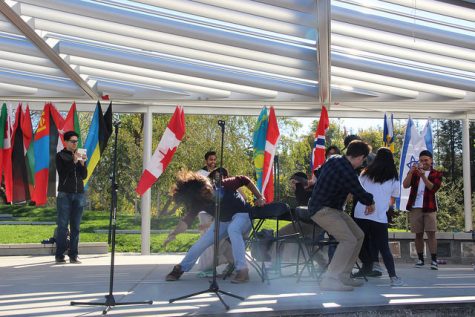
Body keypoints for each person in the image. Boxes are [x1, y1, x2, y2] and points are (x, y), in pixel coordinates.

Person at [164, 168, 265, 283]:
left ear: (205, 184)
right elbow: (186, 221)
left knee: (233, 229)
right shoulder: (198, 202)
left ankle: (242, 270)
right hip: (223, 221)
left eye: (205, 189)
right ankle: (180, 268)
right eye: (201, 194)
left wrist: (260, 197)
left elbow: (244, 179)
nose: (206, 193)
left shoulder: (224, 184)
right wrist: (174, 233)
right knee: (203, 242)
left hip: (242, 215)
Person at [308, 140, 375, 291]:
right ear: (360, 157)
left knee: (358, 235)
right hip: (322, 210)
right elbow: (359, 191)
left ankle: (344, 276)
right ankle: (330, 279)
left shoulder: (333, 158)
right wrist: (371, 202)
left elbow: (317, 172)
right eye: (363, 161)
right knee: (349, 240)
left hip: (332, 209)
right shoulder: (347, 170)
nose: (361, 164)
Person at [353, 148, 403, 286]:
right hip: (379, 216)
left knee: (359, 243)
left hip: (360, 213)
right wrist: (382, 206)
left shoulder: (365, 173)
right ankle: (393, 277)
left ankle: (364, 267)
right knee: (384, 248)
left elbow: (356, 190)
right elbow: (393, 199)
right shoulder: (393, 178)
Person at [403, 150, 443, 270]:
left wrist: (423, 176)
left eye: (426, 160)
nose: (424, 162)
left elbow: (433, 188)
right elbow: (405, 185)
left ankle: (434, 260)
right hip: (415, 207)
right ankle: (420, 259)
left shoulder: (436, 173)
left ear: (431, 161)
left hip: (429, 207)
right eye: (421, 160)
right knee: (418, 234)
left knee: (431, 233)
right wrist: (410, 173)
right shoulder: (414, 173)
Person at [55, 131, 87, 264]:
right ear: (66, 142)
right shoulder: (60, 156)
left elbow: (84, 176)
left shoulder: (79, 156)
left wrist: (82, 163)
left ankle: (73, 255)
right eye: (73, 141)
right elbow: (63, 174)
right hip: (65, 194)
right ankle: (60, 254)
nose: (75, 144)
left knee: (76, 226)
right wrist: (73, 161)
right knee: (62, 226)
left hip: (79, 193)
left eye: (76, 142)